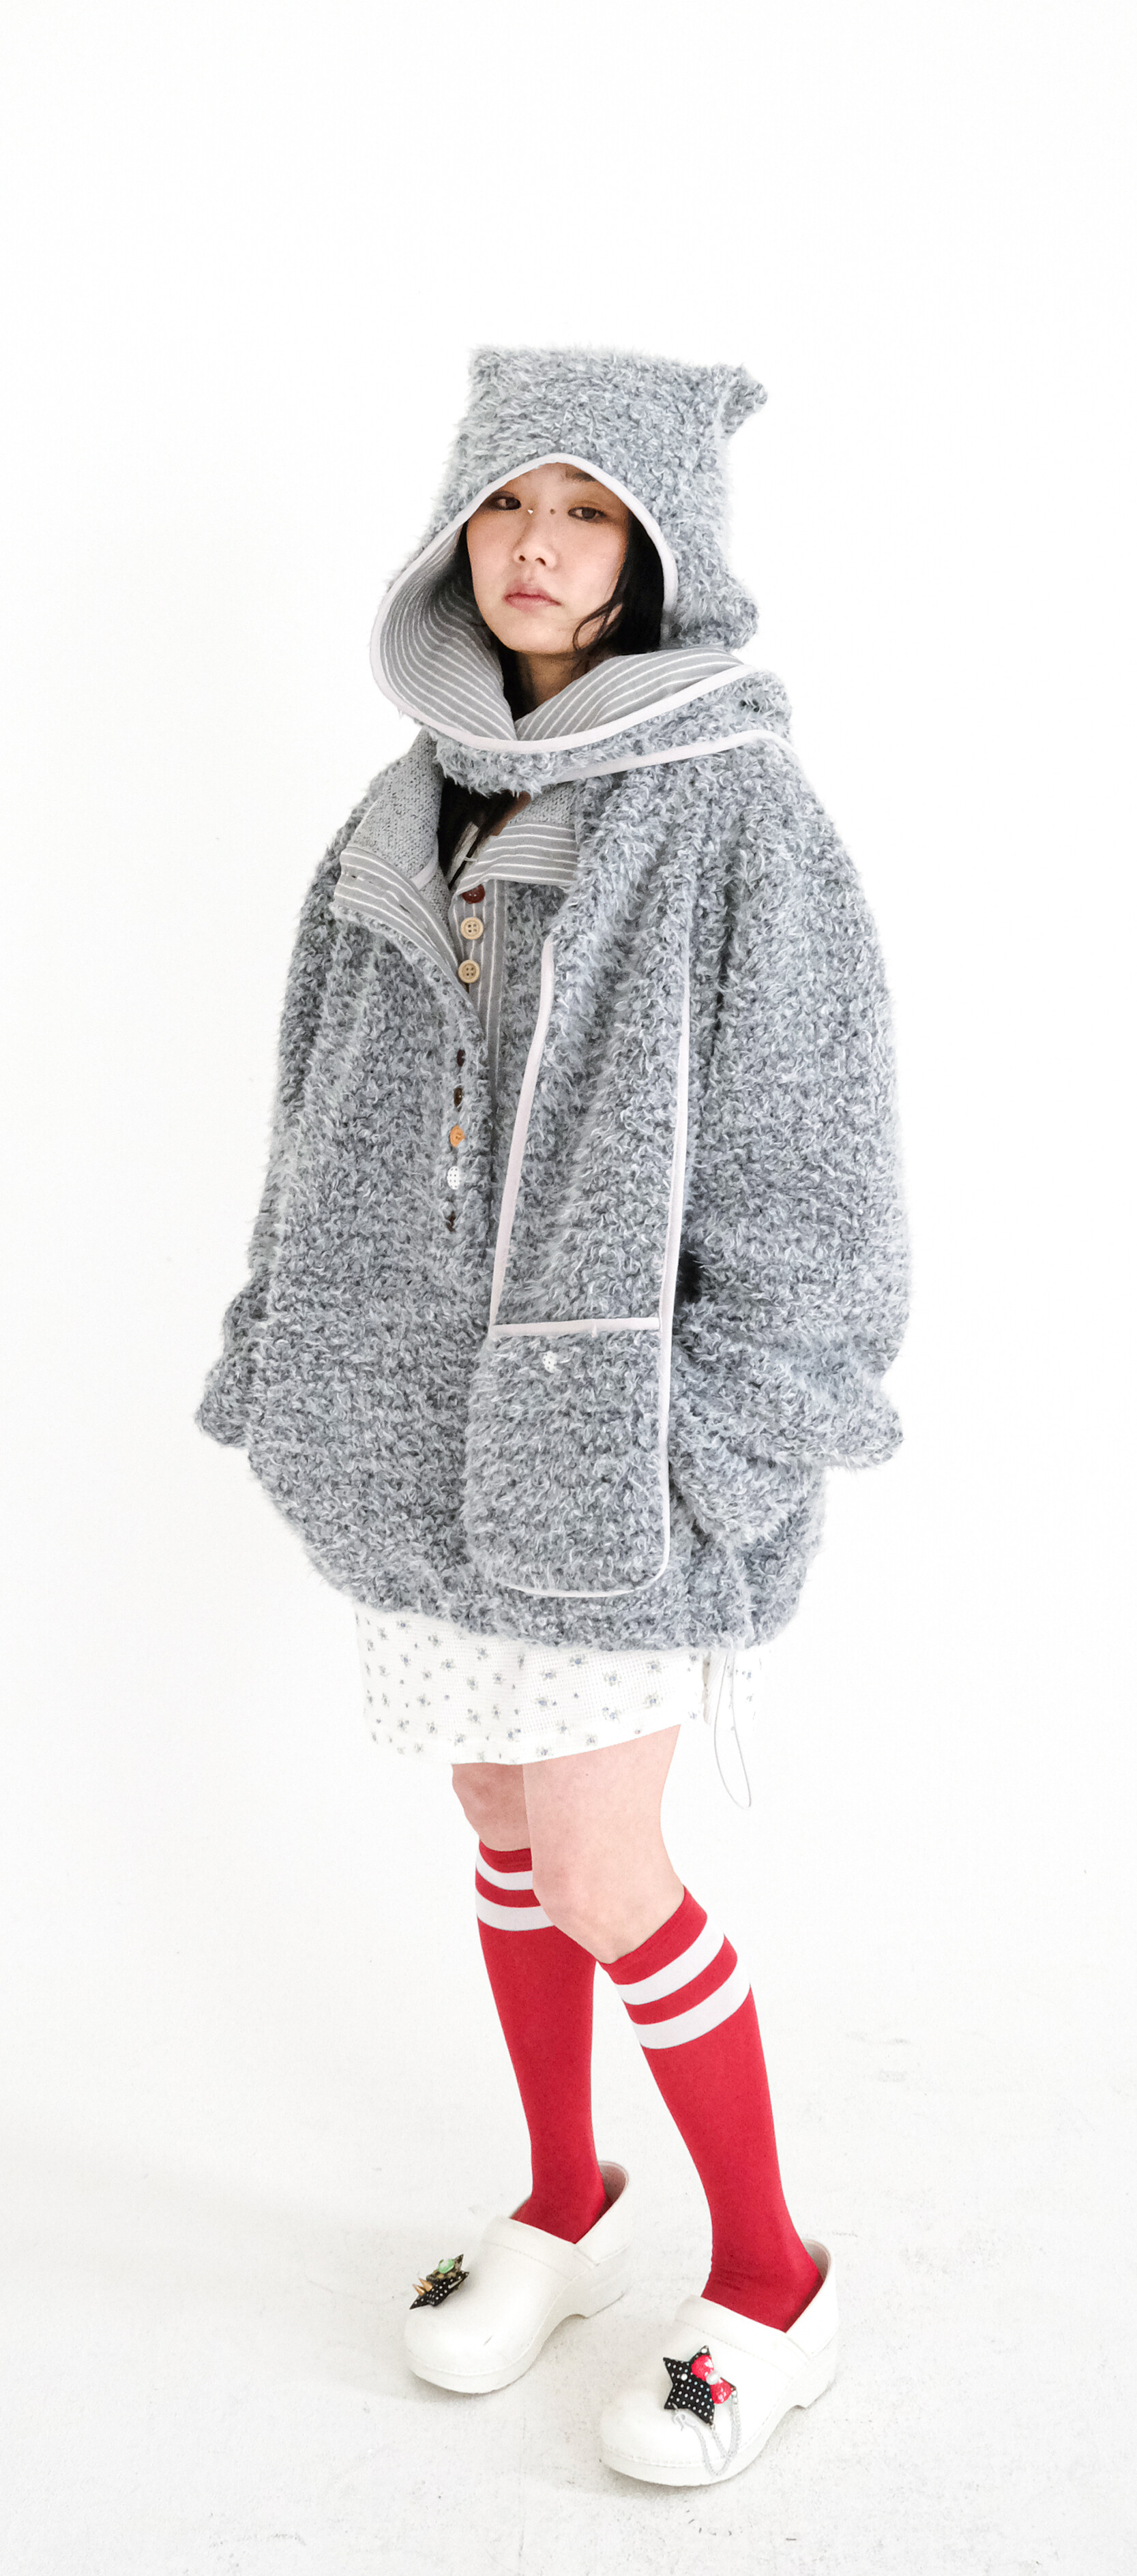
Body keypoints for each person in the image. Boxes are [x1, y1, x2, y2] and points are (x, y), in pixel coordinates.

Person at [197, 344, 909, 2488]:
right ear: (455, 530)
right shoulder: (402, 797)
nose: (535, 545)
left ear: (658, 551)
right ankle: (565, 2199)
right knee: (501, 1829)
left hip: (612, 1467)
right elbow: (315, 1103)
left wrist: (720, 1448)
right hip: (405, 1440)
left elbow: (817, 1181)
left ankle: (772, 2276)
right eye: (507, 502)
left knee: (606, 1865)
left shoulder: (738, 816)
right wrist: (282, 1340)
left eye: (587, 509)